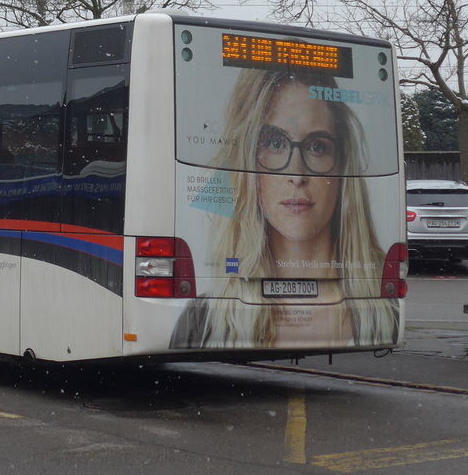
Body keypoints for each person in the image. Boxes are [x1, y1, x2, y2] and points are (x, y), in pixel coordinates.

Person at [170, 68, 399, 349]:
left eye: (316, 146)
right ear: (248, 162)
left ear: (341, 164)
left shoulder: (386, 314)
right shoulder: (202, 321)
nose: (297, 173)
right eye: (275, 143)